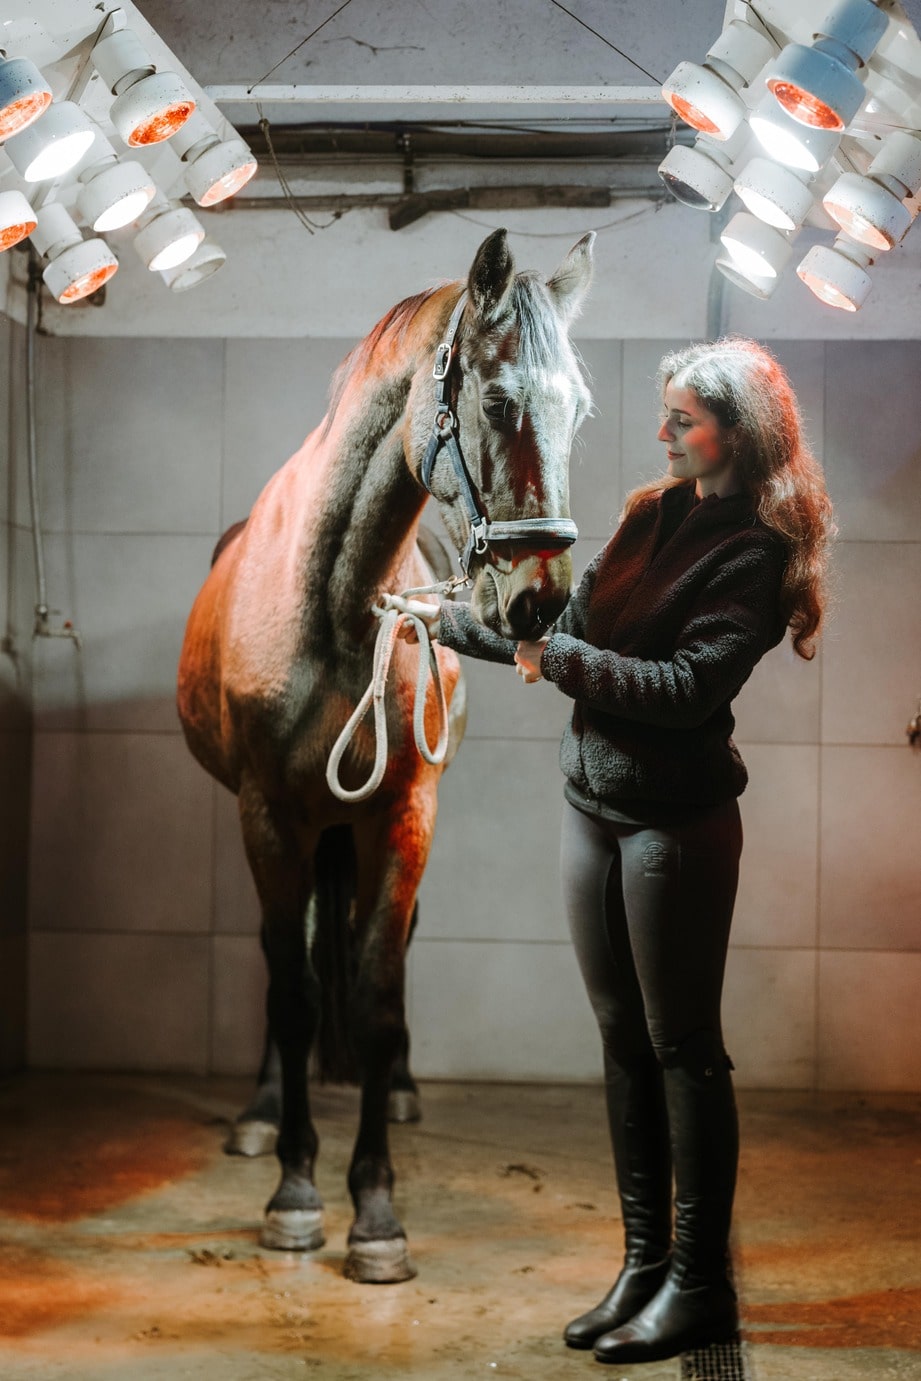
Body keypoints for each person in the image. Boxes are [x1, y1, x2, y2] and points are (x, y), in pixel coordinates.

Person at [404, 336, 833, 1366]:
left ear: (742, 430)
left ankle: (701, 1285)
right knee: (623, 1039)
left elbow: (686, 689)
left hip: (674, 828)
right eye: (668, 413)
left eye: (684, 418)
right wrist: (439, 617)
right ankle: (644, 1266)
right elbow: (568, 622)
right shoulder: (652, 512)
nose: (664, 433)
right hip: (590, 804)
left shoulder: (759, 552)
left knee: (684, 1046)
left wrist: (557, 660)